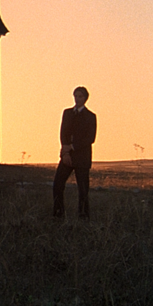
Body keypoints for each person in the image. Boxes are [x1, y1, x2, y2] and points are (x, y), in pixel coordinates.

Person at [52, 86, 97, 219]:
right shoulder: (67, 113)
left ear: (85, 98)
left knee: (83, 189)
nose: (77, 99)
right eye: (76, 96)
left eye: (80, 96)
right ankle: (58, 214)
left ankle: (83, 216)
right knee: (57, 185)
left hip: (82, 157)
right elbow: (63, 133)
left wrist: (72, 146)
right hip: (67, 156)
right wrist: (65, 152)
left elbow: (90, 138)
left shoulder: (90, 116)